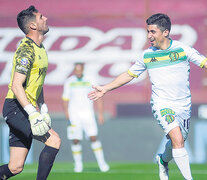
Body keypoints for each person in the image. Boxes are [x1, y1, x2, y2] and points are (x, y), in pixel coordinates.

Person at [88, 13, 207, 180]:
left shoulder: (182, 49)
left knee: (177, 143)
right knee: (177, 139)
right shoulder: (147, 55)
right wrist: (106, 88)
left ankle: (162, 160)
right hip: (162, 104)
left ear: (165, 32)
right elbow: (129, 74)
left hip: (184, 105)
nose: (149, 36)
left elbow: (204, 62)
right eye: (148, 31)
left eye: (153, 32)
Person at [0, 6, 61, 180]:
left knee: (15, 167)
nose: (46, 18)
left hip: (25, 108)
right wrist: (33, 114)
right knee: (54, 141)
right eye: (41, 17)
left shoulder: (40, 48)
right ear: (33, 26)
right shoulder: (26, 49)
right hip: (16, 108)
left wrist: (43, 108)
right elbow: (16, 85)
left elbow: (37, 84)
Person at [62, 63, 110, 173]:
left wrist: (100, 114)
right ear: (74, 71)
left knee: (93, 137)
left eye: (80, 70)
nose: (78, 72)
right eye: (76, 70)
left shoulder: (90, 80)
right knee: (75, 140)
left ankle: (102, 164)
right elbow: (65, 99)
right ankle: (78, 165)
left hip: (88, 114)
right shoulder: (69, 81)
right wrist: (66, 113)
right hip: (74, 115)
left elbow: (98, 97)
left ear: (83, 70)